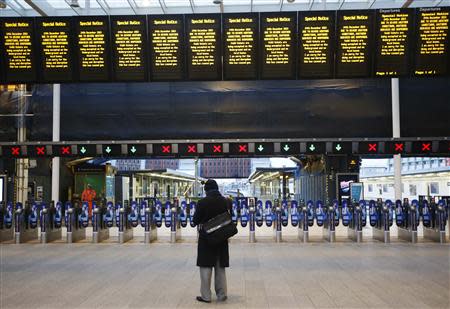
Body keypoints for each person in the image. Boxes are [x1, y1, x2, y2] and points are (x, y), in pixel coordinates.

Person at [193, 179, 231, 303]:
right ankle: (222, 294)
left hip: (207, 238)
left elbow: (195, 221)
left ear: (206, 190)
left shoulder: (202, 202)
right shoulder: (226, 201)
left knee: (206, 266)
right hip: (221, 237)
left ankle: (206, 296)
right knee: (220, 267)